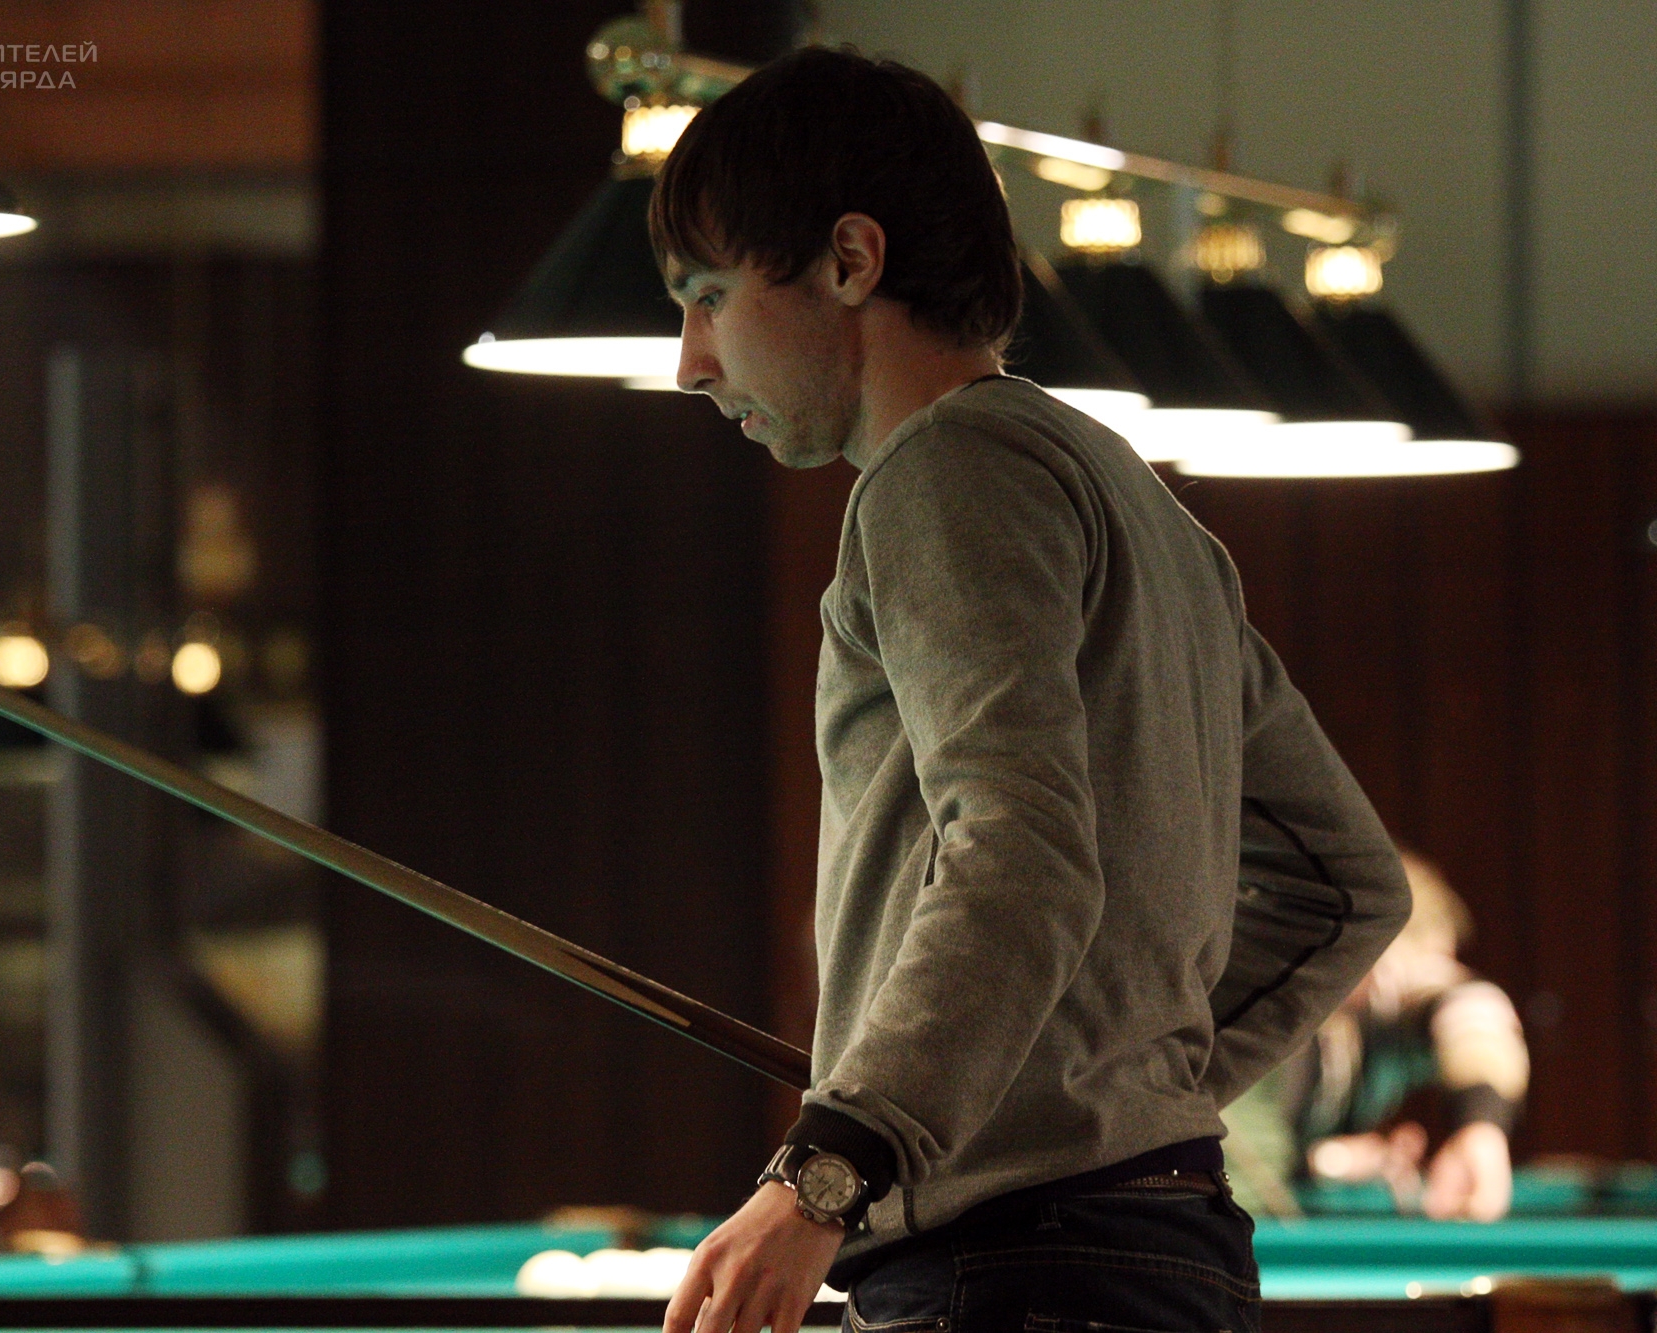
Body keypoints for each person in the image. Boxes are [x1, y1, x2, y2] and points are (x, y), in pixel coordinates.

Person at [649, 48, 1411, 1333]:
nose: (690, 362)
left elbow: (1021, 851)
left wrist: (831, 1169)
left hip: (1014, 1271)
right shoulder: (1137, 502)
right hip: (1164, 1248)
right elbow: (1346, 885)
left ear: (848, 260)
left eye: (709, 296)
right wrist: (1097, 1085)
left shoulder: (937, 472)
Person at [1221, 851, 1528, 1222]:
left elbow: (1472, 1010)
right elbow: (1242, 1181)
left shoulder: (1353, 1030)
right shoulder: (1261, 1014)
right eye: (1422, 968)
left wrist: (1480, 1129)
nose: (1413, 990)